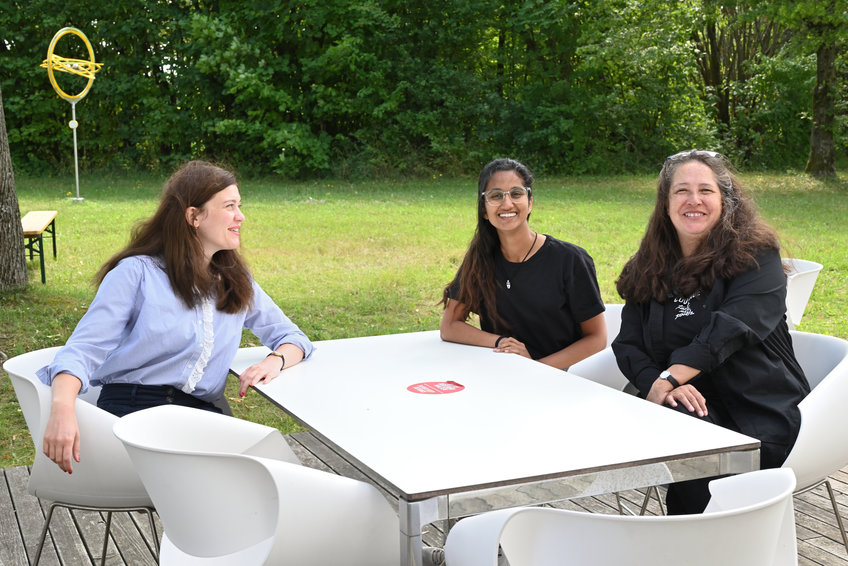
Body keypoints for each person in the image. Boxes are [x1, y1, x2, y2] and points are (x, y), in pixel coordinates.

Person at [37, 160, 314, 474]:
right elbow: (82, 351)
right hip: (135, 411)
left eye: (239, 205)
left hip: (200, 416)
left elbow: (293, 339)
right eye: (229, 206)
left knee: (274, 462)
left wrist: (273, 361)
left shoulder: (235, 279)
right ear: (193, 216)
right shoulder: (136, 273)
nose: (241, 216)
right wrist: (61, 409)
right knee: (252, 472)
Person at [612, 149, 810, 514]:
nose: (694, 200)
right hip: (686, 405)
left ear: (725, 201)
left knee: (688, 437)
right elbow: (628, 343)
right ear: (666, 203)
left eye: (706, 190)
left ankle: (701, 540)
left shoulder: (756, 255)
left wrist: (669, 377)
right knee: (682, 424)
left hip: (757, 409)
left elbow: (731, 328)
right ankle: (693, 538)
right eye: (681, 191)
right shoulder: (649, 265)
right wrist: (658, 385)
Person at [439, 157, 606, 369]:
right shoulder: (480, 259)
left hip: (562, 379)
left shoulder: (570, 260)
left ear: (530, 203)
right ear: (484, 209)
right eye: (496, 196)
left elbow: (597, 338)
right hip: (503, 376)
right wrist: (501, 342)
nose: (507, 204)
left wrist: (537, 369)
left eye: (516, 194)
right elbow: (450, 326)